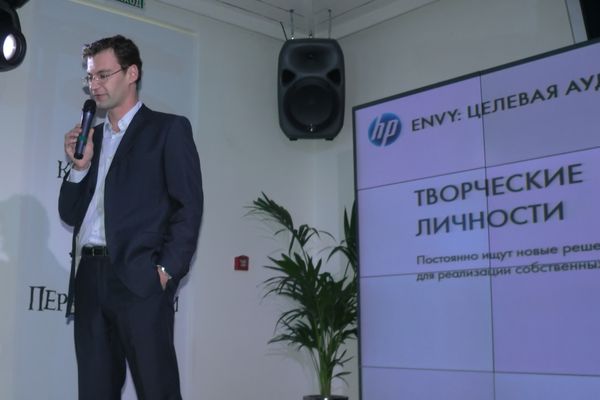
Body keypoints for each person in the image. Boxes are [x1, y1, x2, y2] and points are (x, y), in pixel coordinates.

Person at [58, 35, 203, 400]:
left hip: (140, 280)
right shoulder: (90, 137)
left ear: (132, 73)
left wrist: (165, 271)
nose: (95, 85)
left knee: (157, 389)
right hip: (90, 278)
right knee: (94, 391)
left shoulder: (167, 130)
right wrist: (79, 167)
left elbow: (188, 206)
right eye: (90, 77)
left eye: (103, 75)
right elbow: (69, 212)